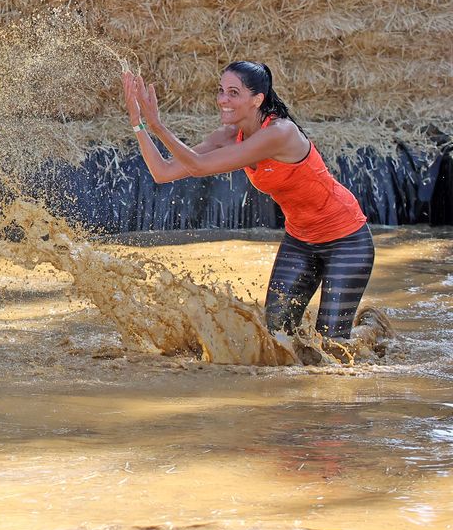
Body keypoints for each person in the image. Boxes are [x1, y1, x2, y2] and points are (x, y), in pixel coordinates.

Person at [122, 62, 374, 343]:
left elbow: (197, 165)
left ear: (257, 99)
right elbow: (163, 172)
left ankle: (370, 337)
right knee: (278, 340)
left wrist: (157, 124)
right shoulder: (228, 136)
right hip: (300, 240)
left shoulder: (281, 133)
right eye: (220, 91)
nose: (222, 100)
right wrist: (138, 122)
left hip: (347, 239)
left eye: (233, 92)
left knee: (333, 345)